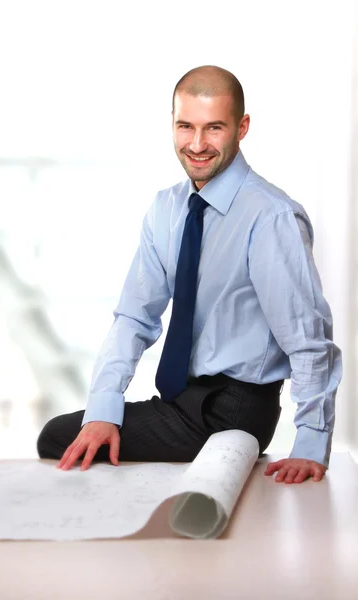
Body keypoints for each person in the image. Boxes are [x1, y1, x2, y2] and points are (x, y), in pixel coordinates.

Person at [37, 65, 342, 484]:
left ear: (242, 127)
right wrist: (104, 406)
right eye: (186, 126)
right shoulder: (167, 208)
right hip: (186, 398)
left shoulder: (270, 217)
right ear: (173, 125)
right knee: (86, 429)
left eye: (214, 128)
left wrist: (311, 443)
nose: (197, 144)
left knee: (57, 436)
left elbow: (308, 339)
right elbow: (135, 317)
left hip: (237, 408)